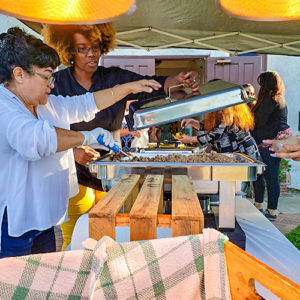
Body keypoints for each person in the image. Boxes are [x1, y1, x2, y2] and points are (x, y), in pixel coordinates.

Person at [0, 27, 161, 258]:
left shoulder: (45, 104)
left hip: (42, 218)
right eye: (46, 75)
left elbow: (84, 104)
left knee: (42, 281)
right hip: (14, 222)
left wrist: (127, 88)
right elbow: (35, 139)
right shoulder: (4, 104)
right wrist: (88, 136)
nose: (52, 84)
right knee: (15, 288)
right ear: (19, 74)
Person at [41, 23, 200, 249]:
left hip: (111, 172)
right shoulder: (58, 83)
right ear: (69, 50)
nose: (91, 54)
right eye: (82, 48)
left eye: (95, 47)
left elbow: (154, 84)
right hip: (73, 174)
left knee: (110, 236)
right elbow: (45, 130)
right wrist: (72, 151)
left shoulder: (114, 77)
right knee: (76, 239)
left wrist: (181, 79)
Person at [251, 71, 292, 221]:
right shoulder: (279, 98)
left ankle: (269, 210)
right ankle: (262, 207)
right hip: (272, 144)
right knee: (266, 177)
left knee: (267, 177)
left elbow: (259, 121)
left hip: (269, 144)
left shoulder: (271, 99)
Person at [174, 104, 261, 161]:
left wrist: (190, 139)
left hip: (242, 152)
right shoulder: (220, 111)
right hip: (232, 152)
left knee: (244, 184)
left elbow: (215, 135)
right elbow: (209, 125)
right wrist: (192, 121)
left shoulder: (227, 112)